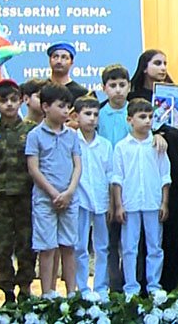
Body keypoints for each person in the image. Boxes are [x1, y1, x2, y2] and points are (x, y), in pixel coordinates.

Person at [128, 49, 178, 291]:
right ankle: (143, 283)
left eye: (165, 63)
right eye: (157, 63)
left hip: (174, 162)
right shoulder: (134, 97)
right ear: (144, 67)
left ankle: (176, 280)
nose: (163, 67)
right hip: (146, 165)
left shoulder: (174, 95)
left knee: (176, 220)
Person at [0, 79, 37, 302]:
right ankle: (7, 291)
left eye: (14, 99)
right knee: (1, 246)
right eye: (4, 101)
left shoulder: (31, 130)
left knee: (26, 244)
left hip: (26, 195)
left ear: (21, 101)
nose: (9, 104)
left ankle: (25, 288)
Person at [25, 82, 82, 296]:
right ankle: (47, 294)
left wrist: (69, 192)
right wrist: (53, 193)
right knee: (47, 247)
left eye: (68, 106)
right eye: (61, 106)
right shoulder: (35, 135)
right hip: (45, 199)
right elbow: (33, 168)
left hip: (69, 198)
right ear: (46, 107)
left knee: (69, 246)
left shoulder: (72, 135)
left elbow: (78, 166)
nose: (66, 111)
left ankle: (71, 293)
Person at [111, 98, 171, 295]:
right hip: (130, 202)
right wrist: (118, 205)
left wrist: (164, 203)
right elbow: (117, 178)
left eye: (150, 117)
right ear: (130, 120)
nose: (147, 121)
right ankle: (131, 288)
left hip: (153, 201)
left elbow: (165, 176)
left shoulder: (157, 145)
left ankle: (153, 286)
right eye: (142, 117)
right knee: (129, 248)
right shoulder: (121, 147)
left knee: (155, 247)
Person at [72, 95, 112, 296]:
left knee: (102, 246)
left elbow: (110, 174)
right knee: (79, 246)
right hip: (79, 200)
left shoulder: (105, 144)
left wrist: (112, 201)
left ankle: (101, 288)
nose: (92, 118)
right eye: (87, 114)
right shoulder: (71, 141)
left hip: (102, 199)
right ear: (76, 116)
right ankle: (82, 288)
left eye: (96, 114)